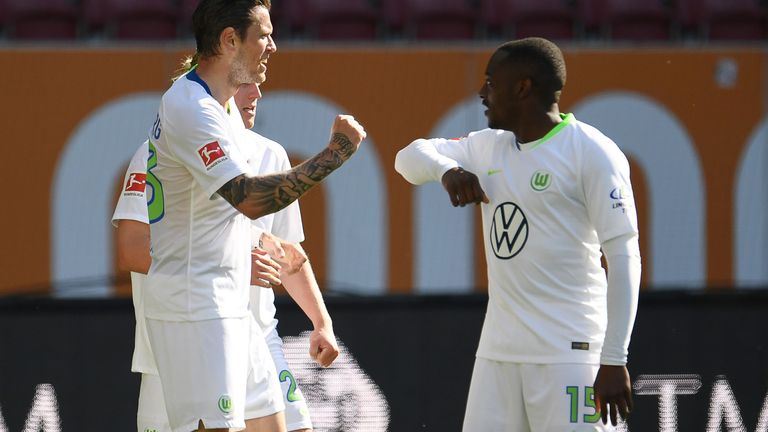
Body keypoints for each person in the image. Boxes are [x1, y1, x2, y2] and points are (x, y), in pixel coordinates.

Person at [394, 37, 641, 431]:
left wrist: (615, 358)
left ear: (523, 87)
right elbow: (407, 157)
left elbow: (625, 256)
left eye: (490, 82)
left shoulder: (592, 152)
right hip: (498, 355)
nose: (481, 93)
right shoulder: (487, 147)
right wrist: (447, 171)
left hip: (570, 354)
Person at [143, 1, 365, 431]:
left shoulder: (222, 109)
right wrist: (335, 154)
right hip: (195, 306)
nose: (273, 47)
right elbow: (248, 199)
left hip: (234, 305)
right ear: (229, 40)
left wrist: (321, 320)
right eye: (263, 35)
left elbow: (271, 236)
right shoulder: (191, 108)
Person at [112, 81, 333, 432]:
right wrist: (235, 264)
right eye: (244, 84)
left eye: (259, 84)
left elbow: (288, 253)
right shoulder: (157, 155)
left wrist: (321, 323)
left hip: (257, 337)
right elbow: (131, 249)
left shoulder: (269, 154)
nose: (256, 94)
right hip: (178, 343)